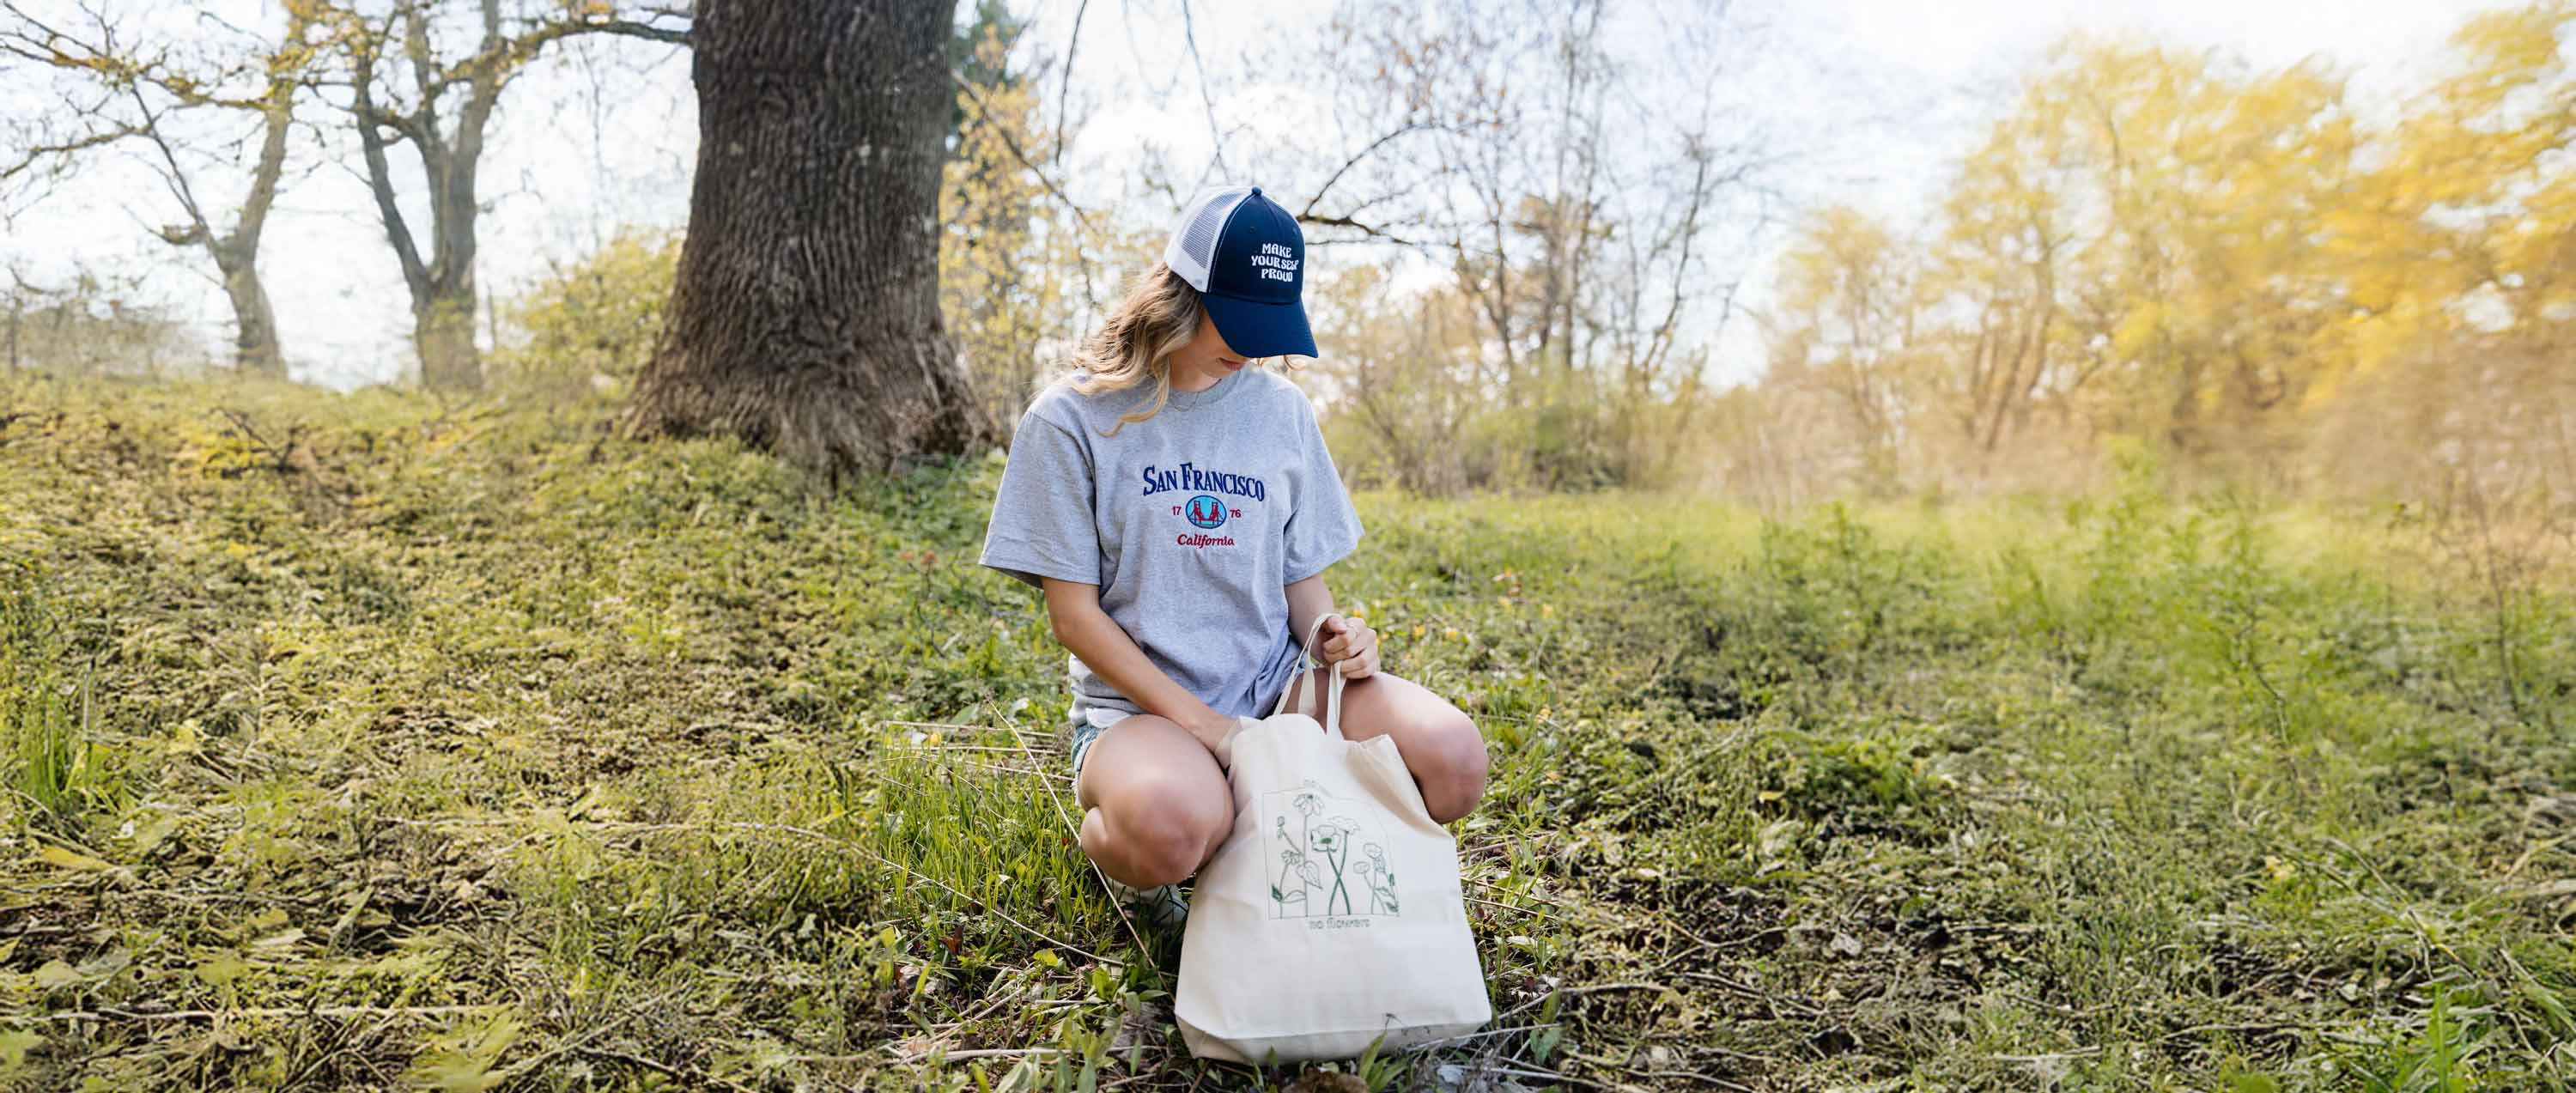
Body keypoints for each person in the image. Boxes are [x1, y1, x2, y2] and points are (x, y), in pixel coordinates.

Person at [977, 185, 1490, 926]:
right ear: (1179, 295)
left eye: (1271, 327)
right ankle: (1134, 856)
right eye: (1239, 321)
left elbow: (1299, 583)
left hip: (1280, 693)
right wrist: (1207, 730)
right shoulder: (1071, 419)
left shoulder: (1282, 411)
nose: (1253, 348)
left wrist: (1331, 635)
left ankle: (1291, 859)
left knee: (1454, 761)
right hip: (1139, 712)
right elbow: (1075, 619)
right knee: (1173, 822)